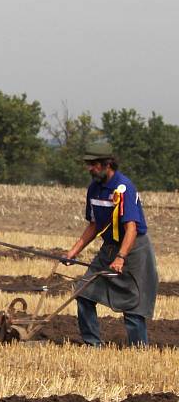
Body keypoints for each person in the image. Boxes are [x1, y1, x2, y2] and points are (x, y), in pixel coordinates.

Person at [63, 140, 158, 346]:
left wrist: (121, 257)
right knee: (84, 293)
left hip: (133, 249)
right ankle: (92, 345)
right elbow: (94, 225)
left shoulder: (124, 188)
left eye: (94, 164)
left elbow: (131, 228)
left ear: (107, 163)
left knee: (133, 305)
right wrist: (73, 251)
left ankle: (138, 352)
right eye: (89, 164)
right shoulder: (94, 189)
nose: (90, 168)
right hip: (109, 248)